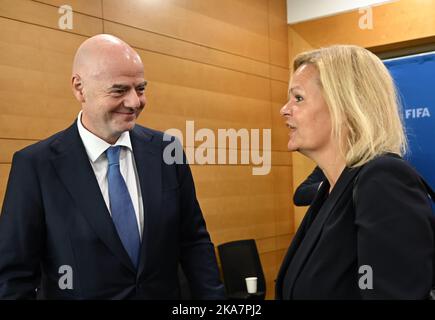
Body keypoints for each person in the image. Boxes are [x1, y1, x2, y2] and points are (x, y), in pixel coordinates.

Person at [0, 34, 225, 299]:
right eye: (119, 90)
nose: (134, 102)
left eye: (140, 89)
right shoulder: (35, 166)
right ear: (79, 88)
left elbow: (194, 243)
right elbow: (14, 278)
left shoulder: (167, 151)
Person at [276, 45, 435, 299]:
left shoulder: (383, 180)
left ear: (345, 107)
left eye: (298, 98)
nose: (284, 109)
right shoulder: (330, 190)